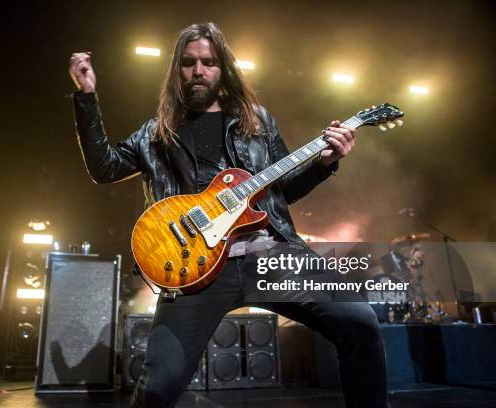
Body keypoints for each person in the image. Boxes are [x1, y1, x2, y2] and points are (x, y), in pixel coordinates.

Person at [69, 22, 387, 408]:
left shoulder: (257, 121)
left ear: (223, 69)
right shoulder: (154, 133)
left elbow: (282, 193)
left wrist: (325, 163)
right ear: (176, 70)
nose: (198, 70)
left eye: (208, 62)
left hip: (269, 256)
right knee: (157, 388)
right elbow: (104, 168)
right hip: (195, 268)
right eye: (189, 62)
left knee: (360, 322)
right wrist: (87, 96)